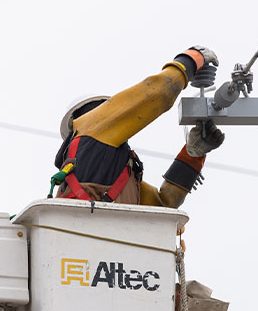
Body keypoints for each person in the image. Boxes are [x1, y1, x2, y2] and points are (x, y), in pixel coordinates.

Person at [52, 46, 225, 206]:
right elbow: (159, 93)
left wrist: (192, 154)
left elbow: (163, 205)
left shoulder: (112, 174)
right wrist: (192, 58)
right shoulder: (92, 128)